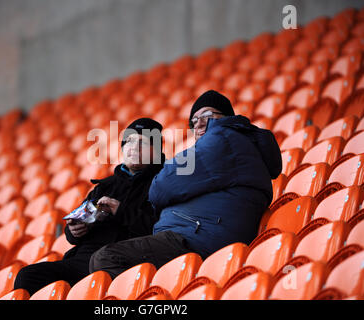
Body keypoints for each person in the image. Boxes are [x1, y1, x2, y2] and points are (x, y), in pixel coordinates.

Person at [89, 90, 282, 279]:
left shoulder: (222, 138)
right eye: (194, 120)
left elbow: (160, 187)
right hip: (203, 234)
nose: (198, 124)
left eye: (206, 116)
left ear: (225, 117)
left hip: (201, 239)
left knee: (106, 258)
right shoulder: (231, 143)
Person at [14, 118, 165, 295]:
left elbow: (160, 230)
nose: (133, 147)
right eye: (129, 141)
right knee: (28, 275)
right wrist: (75, 230)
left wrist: (120, 210)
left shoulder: (163, 181)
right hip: (83, 260)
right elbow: (72, 233)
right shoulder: (105, 186)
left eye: (142, 142)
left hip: (120, 260)